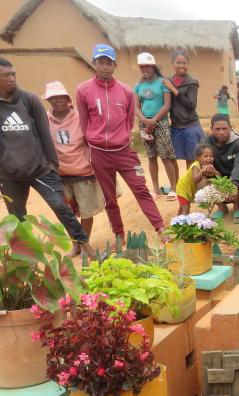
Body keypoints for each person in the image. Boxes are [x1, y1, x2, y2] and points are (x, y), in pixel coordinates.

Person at [0, 57, 92, 256]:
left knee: (61, 207)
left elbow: (45, 135)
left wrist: (52, 165)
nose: (12, 78)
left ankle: (85, 246)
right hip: (8, 174)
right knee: (18, 218)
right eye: (6, 75)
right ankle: (26, 258)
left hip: (40, 169)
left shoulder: (29, 100)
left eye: (13, 74)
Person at [75, 44, 168, 245]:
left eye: (109, 62)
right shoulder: (83, 90)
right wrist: (91, 141)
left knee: (141, 189)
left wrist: (122, 137)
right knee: (109, 198)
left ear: (114, 65)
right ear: (94, 63)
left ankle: (160, 228)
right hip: (99, 153)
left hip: (124, 151)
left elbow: (129, 120)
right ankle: (119, 235)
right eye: (101, 62)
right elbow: (84, 120)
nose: (105, 66)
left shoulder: (126, 91)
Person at [43, 81, 105, 256]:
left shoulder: (80, 117)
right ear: (48, 100)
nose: (58, 100)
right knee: (67, 212)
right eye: (53, 97)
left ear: (68, 98)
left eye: (61, 97)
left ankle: (85, 244)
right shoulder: (44, 120)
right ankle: (76, 245)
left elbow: (92, 138)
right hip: (59, 174)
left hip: (83, 172)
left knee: (86, 210)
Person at [133, 52, 178, 199]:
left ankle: (173, 189)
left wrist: (154, 120)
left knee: (165, 156)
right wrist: (145, 120)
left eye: (148, 66)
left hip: (161, 123)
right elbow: (136, 107)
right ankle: (156, 190)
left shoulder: (162, 82)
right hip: (144, 124)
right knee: (151, 156)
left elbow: (167, 105)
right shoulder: (138, 86)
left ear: (154, 67)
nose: (145, 69)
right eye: (142, 67)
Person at [204, 114, 239, 223]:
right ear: (211, 129)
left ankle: (237, 207)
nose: (221, 132)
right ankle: (221, 207)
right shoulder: (206, 144)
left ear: (230, 128)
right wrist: (207, 169)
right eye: (217, 129)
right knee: (203, 179)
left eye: (224, 128)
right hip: (218, 183)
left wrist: (233, 185)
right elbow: (201, 161)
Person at [169, 50, 204, 173]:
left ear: (188, 64)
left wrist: (175, 91)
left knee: (191, 159)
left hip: (190, 126)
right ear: (173, 63)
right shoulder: (168, 81)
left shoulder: (192, 83)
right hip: (175, 126)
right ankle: (177, 183)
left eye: (184, 63)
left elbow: (191, 104)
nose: (181, 66)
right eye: (178, 62)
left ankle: (190, 183)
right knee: (171, 158)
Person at [175, 143, 217, 215]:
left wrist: (214, 172)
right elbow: (195, 179)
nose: (209, 158)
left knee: (183, 206)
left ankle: (178, 218)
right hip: (183, 188)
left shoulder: (208, 166)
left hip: (189, 188)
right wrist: (201, 171)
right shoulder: (195, 166)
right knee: (186, 209)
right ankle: (182, 221)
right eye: (205, 156)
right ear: (198, 158)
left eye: (211, 156)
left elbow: (218, 176)